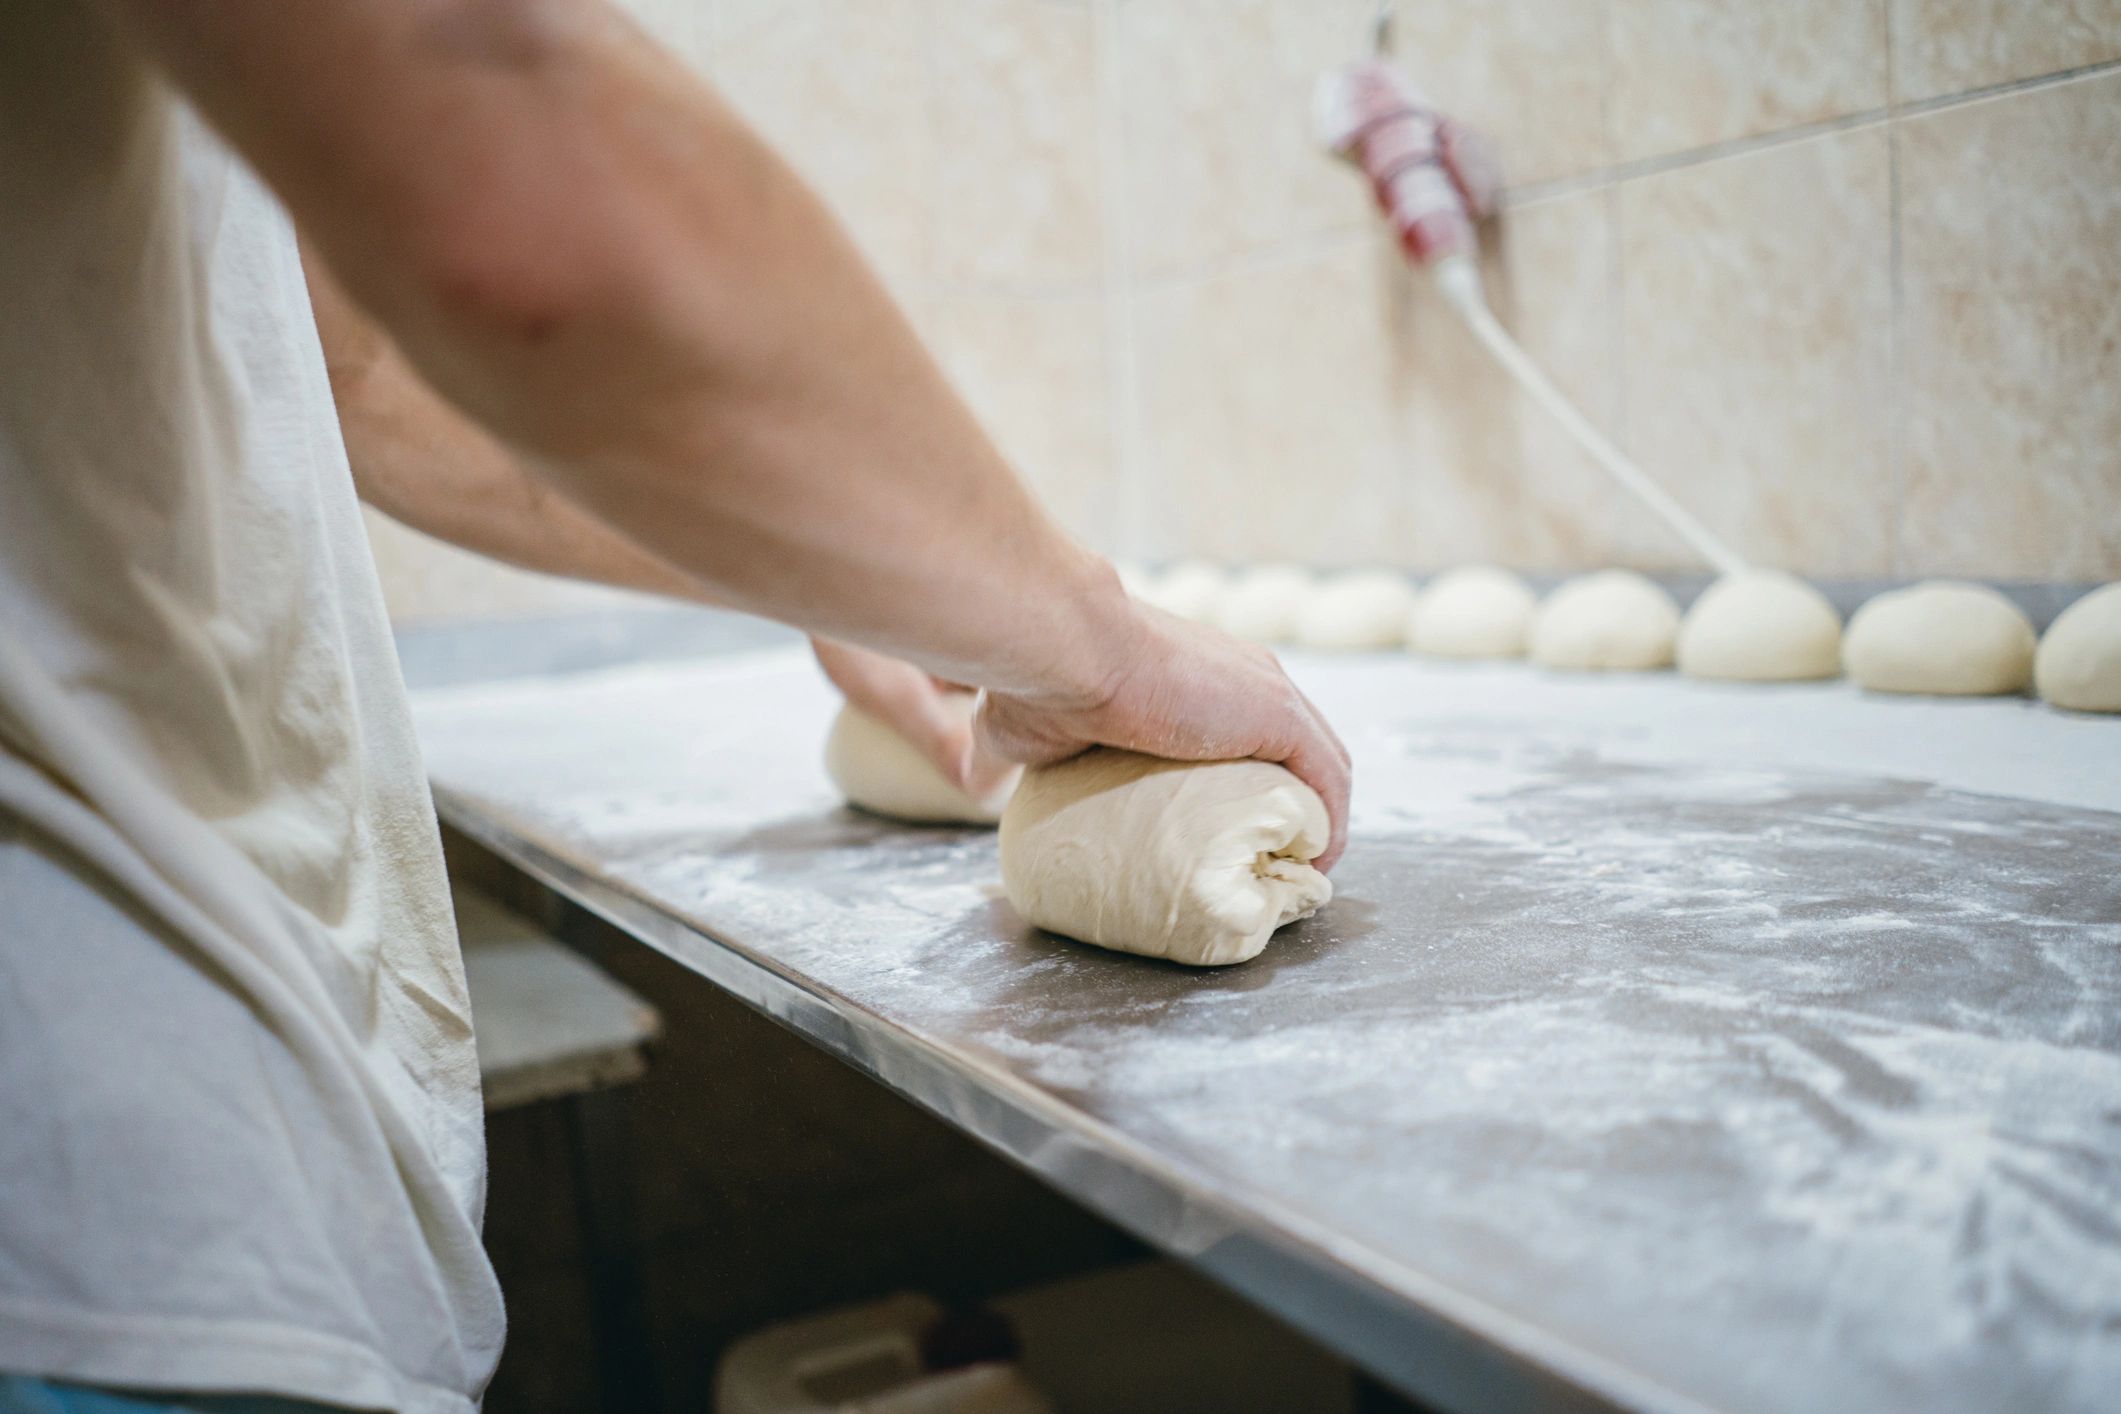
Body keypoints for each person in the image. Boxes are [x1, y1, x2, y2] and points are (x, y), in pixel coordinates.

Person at [0, 1, 1351, 1410]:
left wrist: (849, 582)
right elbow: (512, 136)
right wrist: (1088, 634)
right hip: (100, 1225)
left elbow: (356, 373)